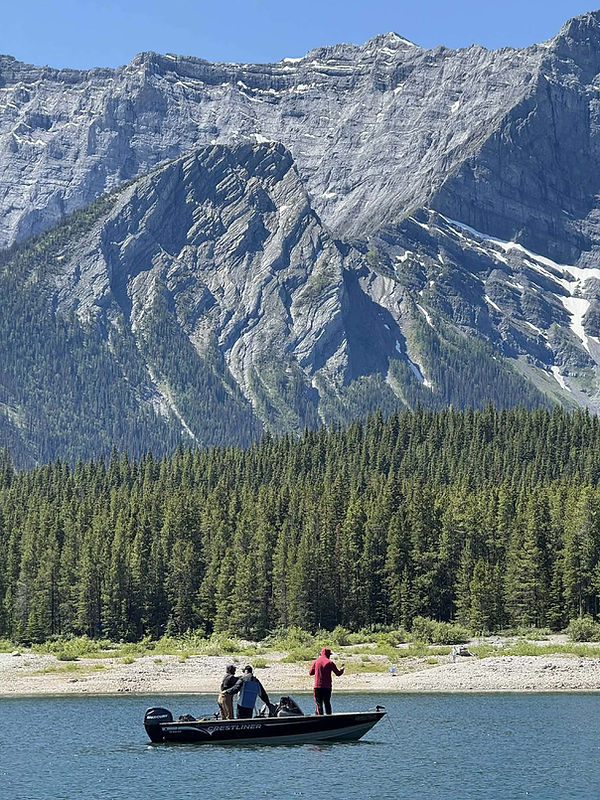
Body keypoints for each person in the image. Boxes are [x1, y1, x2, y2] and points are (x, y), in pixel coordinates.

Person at [309, 647, 344, 715]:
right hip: (327, 687)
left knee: (319, 704)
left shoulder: (316, 661)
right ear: (328, 655)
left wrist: (317, 670)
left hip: (317, 687)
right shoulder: (330, 662)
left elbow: (310, 673)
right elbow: (338, 673)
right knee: (327, 703)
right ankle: (329, 717)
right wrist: (342, 669)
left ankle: (320, 718)